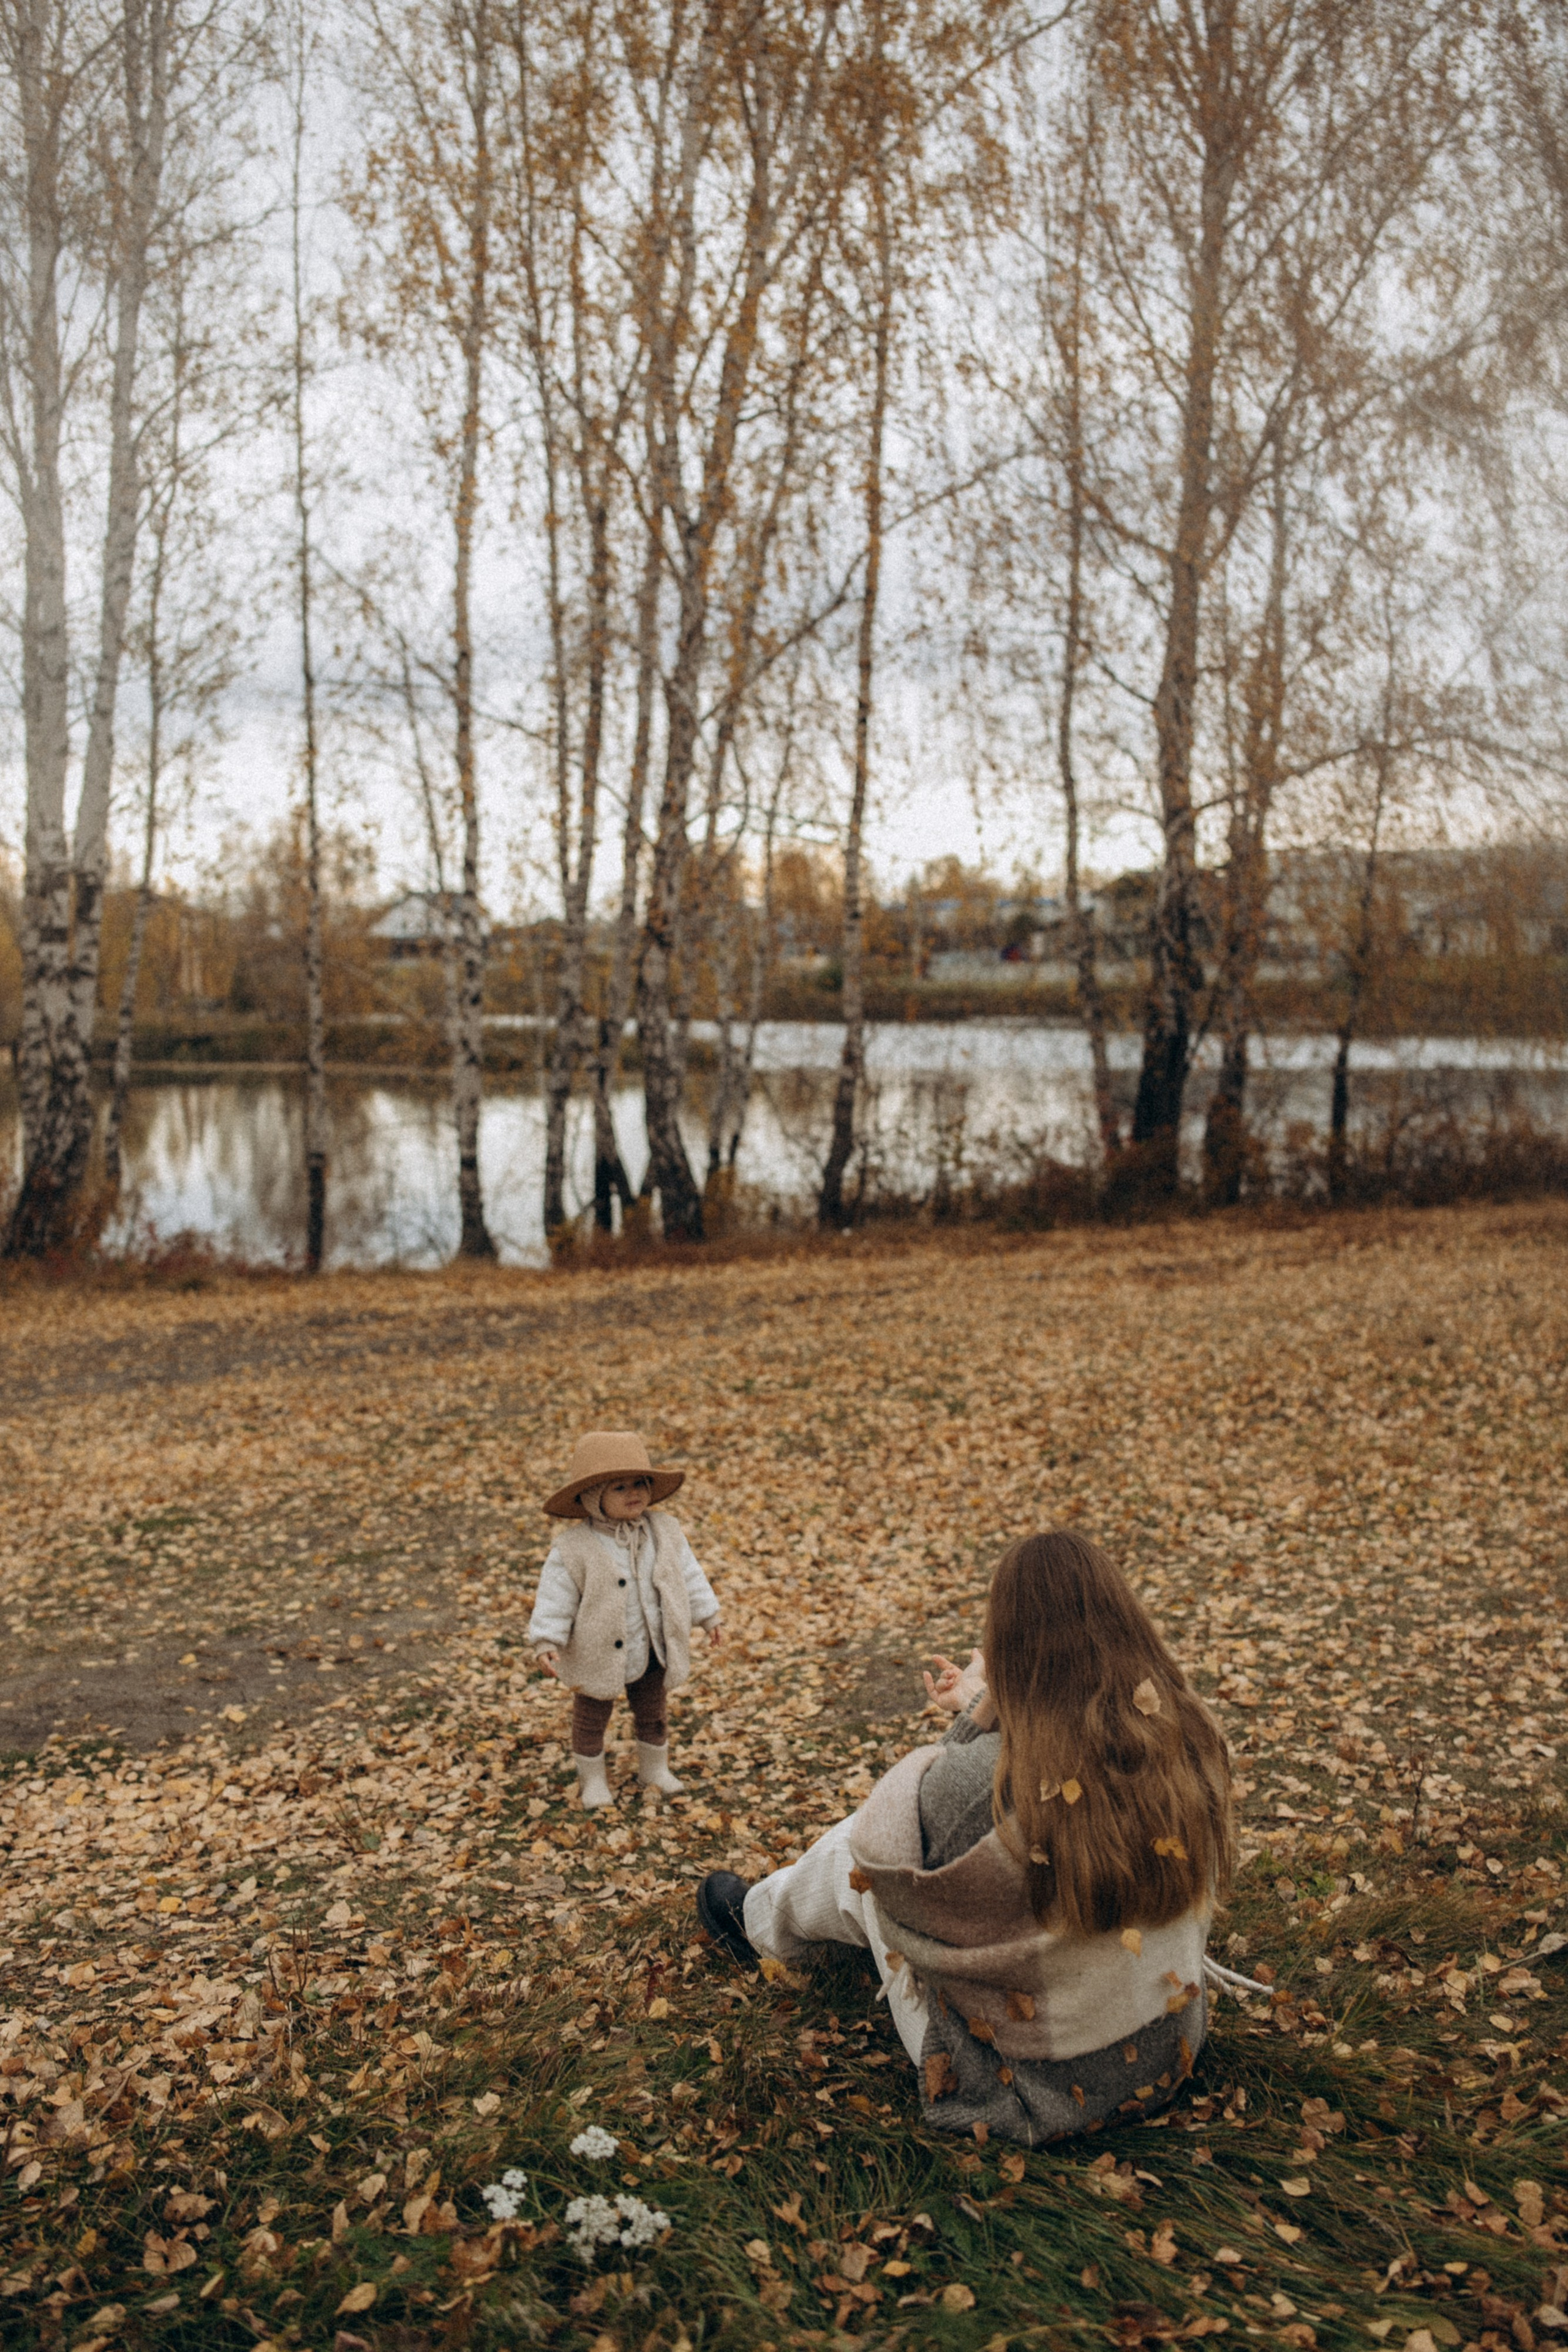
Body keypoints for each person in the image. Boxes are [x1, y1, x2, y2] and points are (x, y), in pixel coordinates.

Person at [696, 1529, 1233, 2144]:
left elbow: (900, 1854)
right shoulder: (1190, 1735)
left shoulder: (982, 1784)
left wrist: (976, 1719)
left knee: (855, 1851)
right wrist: (988, 1703)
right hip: (1162, 2047)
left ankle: (758, 1922)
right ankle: (771, 1918)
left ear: (1007, 1642)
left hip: (1025, 2091)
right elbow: (1061, 1756)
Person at [530, 1431, 721, 1810]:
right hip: (596, 1651)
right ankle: (593, 1780)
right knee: (591, 1717)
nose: (633, 1493)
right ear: (593, 1497)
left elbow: (688, 1575)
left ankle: (654, 1769)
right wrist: (546, 1640)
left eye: (639, 1484)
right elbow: (555, 1597)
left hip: (652, 1644)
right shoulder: (574, 1548)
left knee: (653, 1711)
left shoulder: (665, 1531)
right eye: (619, 1487)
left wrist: (708, 1615)